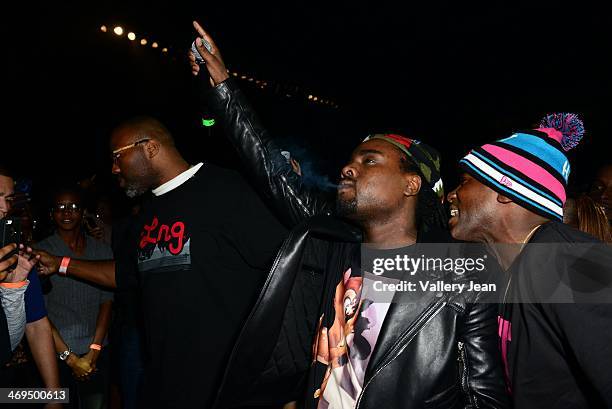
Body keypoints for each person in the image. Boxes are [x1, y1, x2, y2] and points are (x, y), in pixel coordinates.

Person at [189, 21, 508, 409]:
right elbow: (272, 173)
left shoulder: (459, 274)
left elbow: (485, 396)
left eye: (369, 161)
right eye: (351, 159)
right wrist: (223, 88)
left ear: (411, 185)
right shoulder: (333, 244)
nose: (348, 168)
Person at [35, 116, 288, 408]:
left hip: (225, 384)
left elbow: (285, 271)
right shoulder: (148, 211)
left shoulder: (227, 190)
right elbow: (126, 273)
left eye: (118, 156)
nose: (114, 168)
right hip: (165, 378)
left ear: (151, 148)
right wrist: (61, 263)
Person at [446, 113, 612, 408]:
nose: (451, 195)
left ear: (505, 190)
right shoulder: (515, 268)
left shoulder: (563, 259)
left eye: (465, 181)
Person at [36, 187, 114, 409]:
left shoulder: (101, 250)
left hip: (95, 352)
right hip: (54, 355)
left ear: (83, 212)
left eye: (73, 207)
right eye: (60, 207)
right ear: (52, 213)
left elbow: (107, 301)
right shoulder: (40, 251)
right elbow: (38, 314)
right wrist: (69, 358)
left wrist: (94, 350)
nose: (67, 212)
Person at [0, 167, 61, 399]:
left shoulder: (16, 254)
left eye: (8, 198)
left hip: (10, 384)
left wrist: (54, 396)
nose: (5, 208)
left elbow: (35, 325)